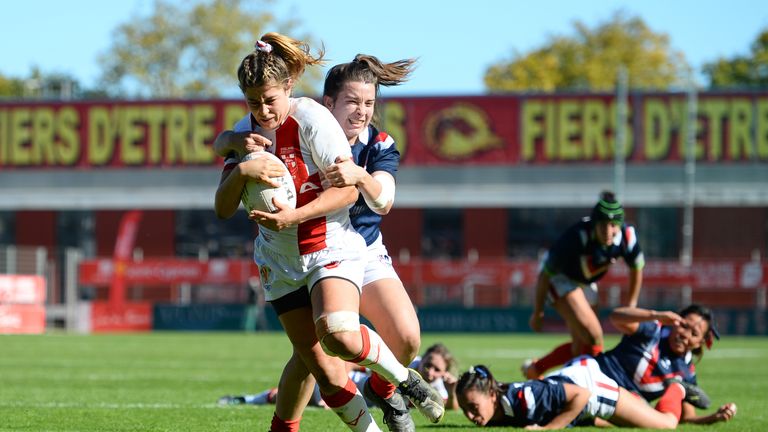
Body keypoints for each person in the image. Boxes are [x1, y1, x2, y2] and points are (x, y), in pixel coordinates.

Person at [214, 36, 443, 432]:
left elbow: (368, 195)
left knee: (344, 336)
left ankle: (400, 383)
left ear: (289, 88)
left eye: (368, 103)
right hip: (279, 261)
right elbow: (221, 205)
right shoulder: (246, 133)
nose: (264, 111)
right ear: (330, 100)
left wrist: (299, 214)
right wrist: (241, 167)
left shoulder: (327, 128)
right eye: (254, 103)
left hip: (337, 246)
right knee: (318, 364)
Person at [525, 190, 644, 379]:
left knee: (581, 344)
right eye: (603, 225)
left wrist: (631, 305)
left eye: (613, 225)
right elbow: (545, 274)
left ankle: (536, 369)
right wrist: (538, 312)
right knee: (594, 333)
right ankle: (595, 382)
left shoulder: (627, 238)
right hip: (559, 280)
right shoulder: (577, 236)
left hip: (586, 283)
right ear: (595, 223)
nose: (608, 230)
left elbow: (636, 268)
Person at [595, 304, 737, 425]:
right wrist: (655, 315)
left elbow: (687, 417)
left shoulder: (687, 372)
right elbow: (615, 316)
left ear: (700, 343)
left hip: (621, 402)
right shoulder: (654, 331)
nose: (685, 335)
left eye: (694, 333)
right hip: (595, 377)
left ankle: (594, 417)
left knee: (655, 416)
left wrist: (714, 417)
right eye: (684, 325)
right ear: (676, 321)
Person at [456, 358, 694, 429]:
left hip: (592, 390)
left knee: (665, 424)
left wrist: (548, 430)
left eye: (473, 407)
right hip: (574, 377)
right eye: (465, 409)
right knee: (622, 423)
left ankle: (677, 387)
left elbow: (581, 395)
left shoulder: (527, 397)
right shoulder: (497, 405)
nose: (469, 416)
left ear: (491, 396)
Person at [219, 343, 460, 412]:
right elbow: (350, 363)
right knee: (288, 396)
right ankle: (247, 399)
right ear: (423, 358)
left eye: (437, 370)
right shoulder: (407, 366)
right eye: (429, 365)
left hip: (364, 402)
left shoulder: (437, 384)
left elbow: (448, 408)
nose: (430, 372)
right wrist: (334, 388)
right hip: (353, 387)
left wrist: (453, 389)